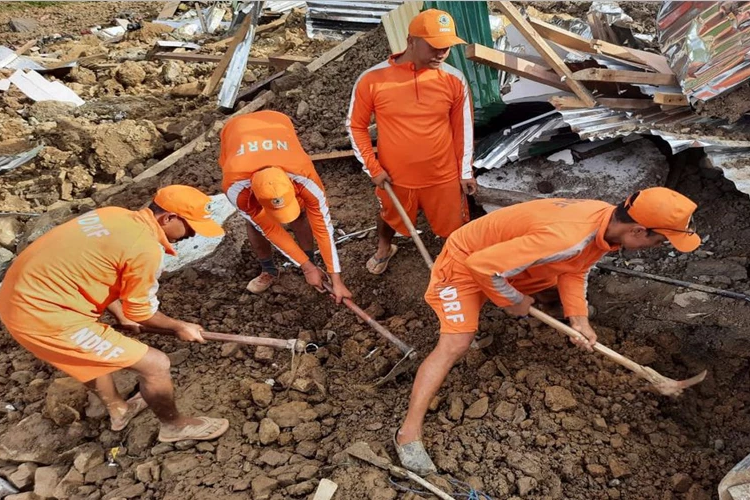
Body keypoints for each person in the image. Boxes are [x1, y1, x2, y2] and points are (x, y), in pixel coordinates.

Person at [394, 187, 702, 475]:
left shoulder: (605, 223)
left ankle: (511, 298)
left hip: (503, 258)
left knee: (548, 291)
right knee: (456, 343)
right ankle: (408, 434)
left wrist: (579, 320)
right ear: (637, 230)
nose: (655, 248)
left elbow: (575, 268)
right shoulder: (567, 237)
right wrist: (513, 301)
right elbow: (482, 266)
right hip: (465, 262)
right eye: (659, 241)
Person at [0, 186, 230, 442]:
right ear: (168, 218)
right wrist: (179, 326)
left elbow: (94, 265)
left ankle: (119, 409)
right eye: (191, 226)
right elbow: (142, 313)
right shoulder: (145, 249)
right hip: (43, 316)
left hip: (17, 297)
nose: (193, 233)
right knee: (156, 365)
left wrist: (119, 313)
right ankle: (174, 426)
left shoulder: (112, 215)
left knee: (88, 353)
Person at [347, 8, 477, 275]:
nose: (442, 53)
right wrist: (373, 168)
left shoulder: (454, 79)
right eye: (434, 46)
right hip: (394, 177)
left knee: (455, 226)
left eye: (447, 47)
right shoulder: (373, 79)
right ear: (411, 41)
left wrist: (464, 172)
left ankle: (453, 265)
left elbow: (463, 128)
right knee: (388, 216)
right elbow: (355, 126)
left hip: (442, 176)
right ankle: (385, 248)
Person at [220, 110, 352, 301]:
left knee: (300, 214)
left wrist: (336, 279)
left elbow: (323, 227)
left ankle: (312, 261)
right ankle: (269, 270)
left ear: (292, 186)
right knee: (255, 224)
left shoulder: (305, 178)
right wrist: (306, 268)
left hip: (276, 123)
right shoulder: (235, 188)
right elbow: (270, 228)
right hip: (236, 131)